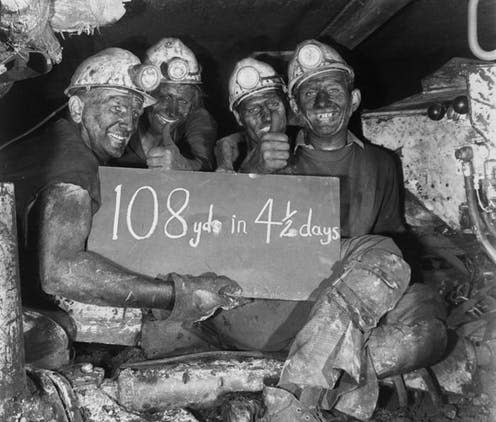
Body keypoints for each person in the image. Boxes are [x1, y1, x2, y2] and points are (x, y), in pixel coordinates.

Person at [218, 43, 448, 421]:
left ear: (354, 99)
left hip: (351, 301)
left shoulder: (381, 164)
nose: (323, 101)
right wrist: (252, 173)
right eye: (310, 92)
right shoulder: (271, 159)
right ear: (295, 108)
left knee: (428, 325)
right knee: (383, 254)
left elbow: (392, 245)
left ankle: (309, 376)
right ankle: (301, 395)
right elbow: (227, 240)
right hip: (285, 302)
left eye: (334, 90)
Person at [0, 47, 243, 348]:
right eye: (116, 107)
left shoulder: (59, 140)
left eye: (135, 111)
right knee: (54, 340)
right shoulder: (72, 161)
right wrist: (176, 294)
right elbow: (61, 271)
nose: (128, 123)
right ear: (77, 108)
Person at [114, 38, 217, 171]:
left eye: (183, 101)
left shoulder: (198, 117)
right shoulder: (121, 115)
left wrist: (184, 166)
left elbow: (206, 164)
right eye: (164, 97)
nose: (172, 111)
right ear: (145, 93)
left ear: (193, 104)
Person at [215, 57, 291, 174]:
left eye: (273, 103)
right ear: (238, 117)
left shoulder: (307, 148)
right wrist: (251, 169)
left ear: (286, 105)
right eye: (253, 110)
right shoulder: (226, 166)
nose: (267, 117)